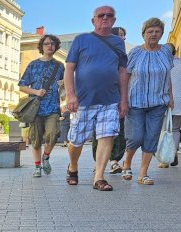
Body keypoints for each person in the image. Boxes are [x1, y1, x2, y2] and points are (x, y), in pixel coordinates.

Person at [64, 5, 128, 191]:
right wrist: (70, 95)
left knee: (106, 136)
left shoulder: (118, 43)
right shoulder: (81, 40)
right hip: (83, 100)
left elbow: (122, 72)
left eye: (109, 15)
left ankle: (99, 177)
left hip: (110, 100)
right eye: (101, 15)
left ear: (114, 20)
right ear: (93, 20)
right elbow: (69, 69)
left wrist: (123, 100)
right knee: (76, 140)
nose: (105, 18)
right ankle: (73, 167)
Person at [121, 18, 173, 185]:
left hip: (158, 102)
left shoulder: (165, 51)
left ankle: (143, 174)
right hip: (135, 102)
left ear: (161, 35)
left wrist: (170, 96)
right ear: (143, 34)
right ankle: (127, 163)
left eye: (157, 31)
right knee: (135, 137)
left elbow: (167, 76)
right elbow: (126, 76)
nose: (153, 34)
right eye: (150, 31)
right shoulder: (135, 52)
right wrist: (123, 99)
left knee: (151, 138)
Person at [19, 34, 65, 178]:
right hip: (36, 108)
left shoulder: (59, 66)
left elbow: (63, 87)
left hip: (52, 107)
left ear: (56, 46)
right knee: (36, 139)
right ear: (42, 47)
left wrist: (63, 92)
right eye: (46, 44)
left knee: (53, 135)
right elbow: (22, 86)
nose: (49, 46)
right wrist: (36, 92)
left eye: (52, 43)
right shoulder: (33, 65)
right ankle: (37, 166)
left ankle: (46, 157)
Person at [91, 26, 128, 174]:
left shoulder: (125, 57)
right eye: (119, 35)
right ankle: (99, 162)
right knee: (99, 132)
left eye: (123, 36)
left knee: (118, 131)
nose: (122, 38)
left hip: (119, 98)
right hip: (100, 98)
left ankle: (114, 161)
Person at [157, 43, 181, 167]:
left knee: (164, 128)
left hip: (164, 99)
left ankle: (165, 159)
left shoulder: (160, 64)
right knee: (175, 128)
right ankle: (173, 153)